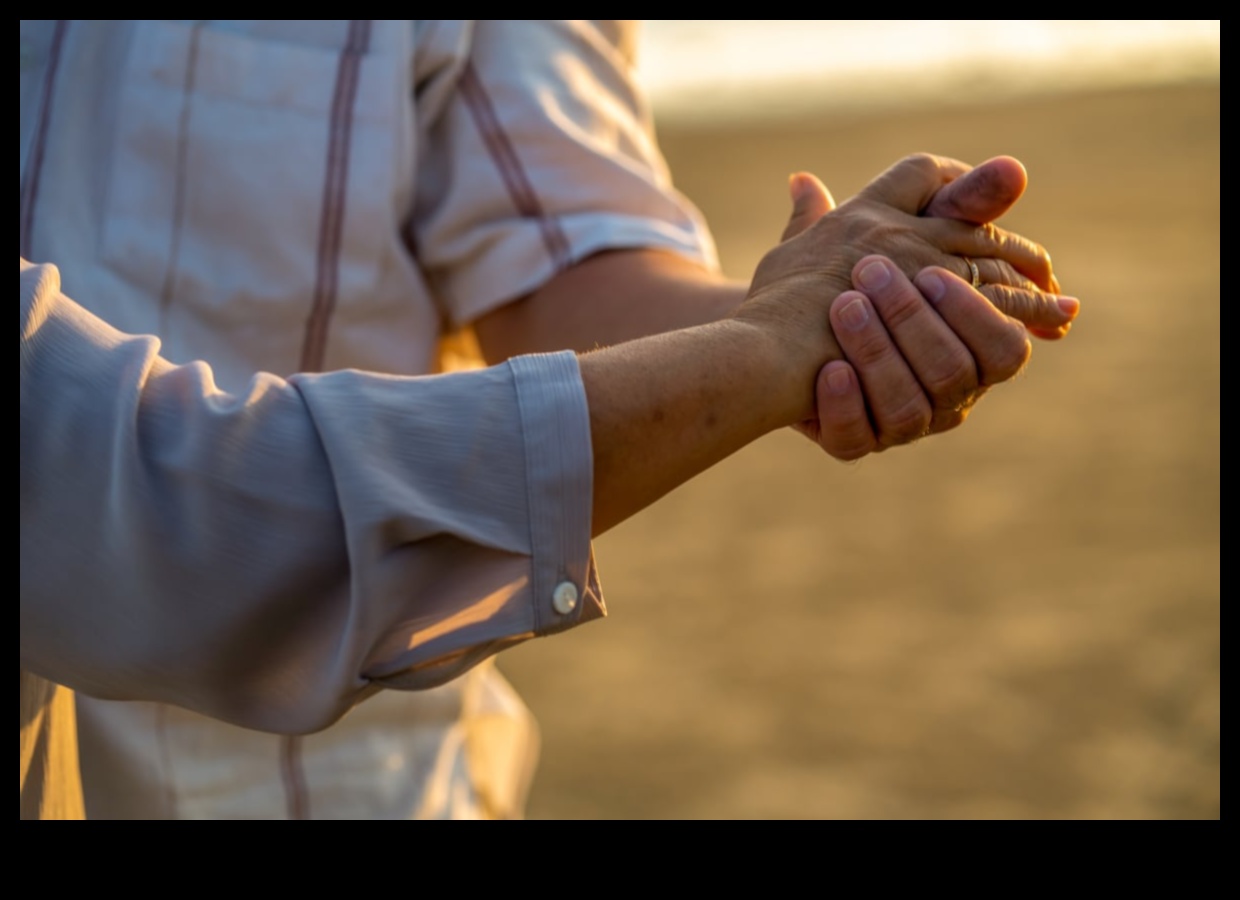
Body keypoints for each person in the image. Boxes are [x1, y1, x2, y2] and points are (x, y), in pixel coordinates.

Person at [19, 20, 1077, 820]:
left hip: (342, 782)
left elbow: (558, 247)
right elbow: (133, 481)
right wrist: (776, 340)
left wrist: (803, 323)